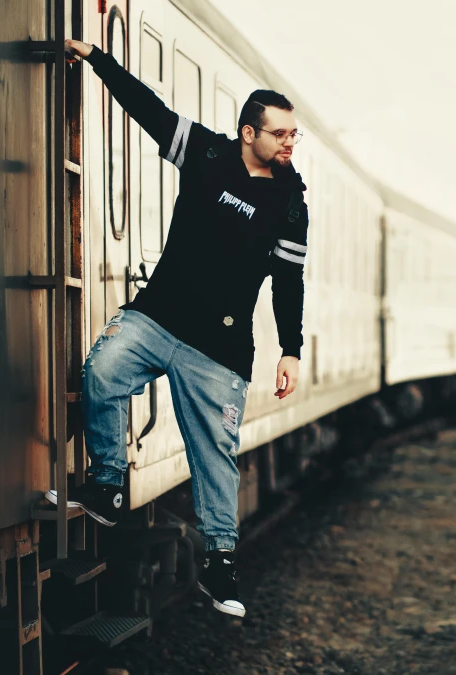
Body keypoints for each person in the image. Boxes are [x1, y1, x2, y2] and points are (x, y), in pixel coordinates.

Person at [45, 39, 309, 618]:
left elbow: (289, 283)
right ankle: (109, 484)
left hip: (220, 347)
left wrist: (291, 349)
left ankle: (220, 566)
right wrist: (97, 59)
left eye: (294, 135)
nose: (292, 142)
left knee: (214, 455)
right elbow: (149, 110)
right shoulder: (208, 155)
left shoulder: (291, 203)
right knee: (103, 371)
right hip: (158, 315)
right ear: (249, 132)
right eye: (281, 133)